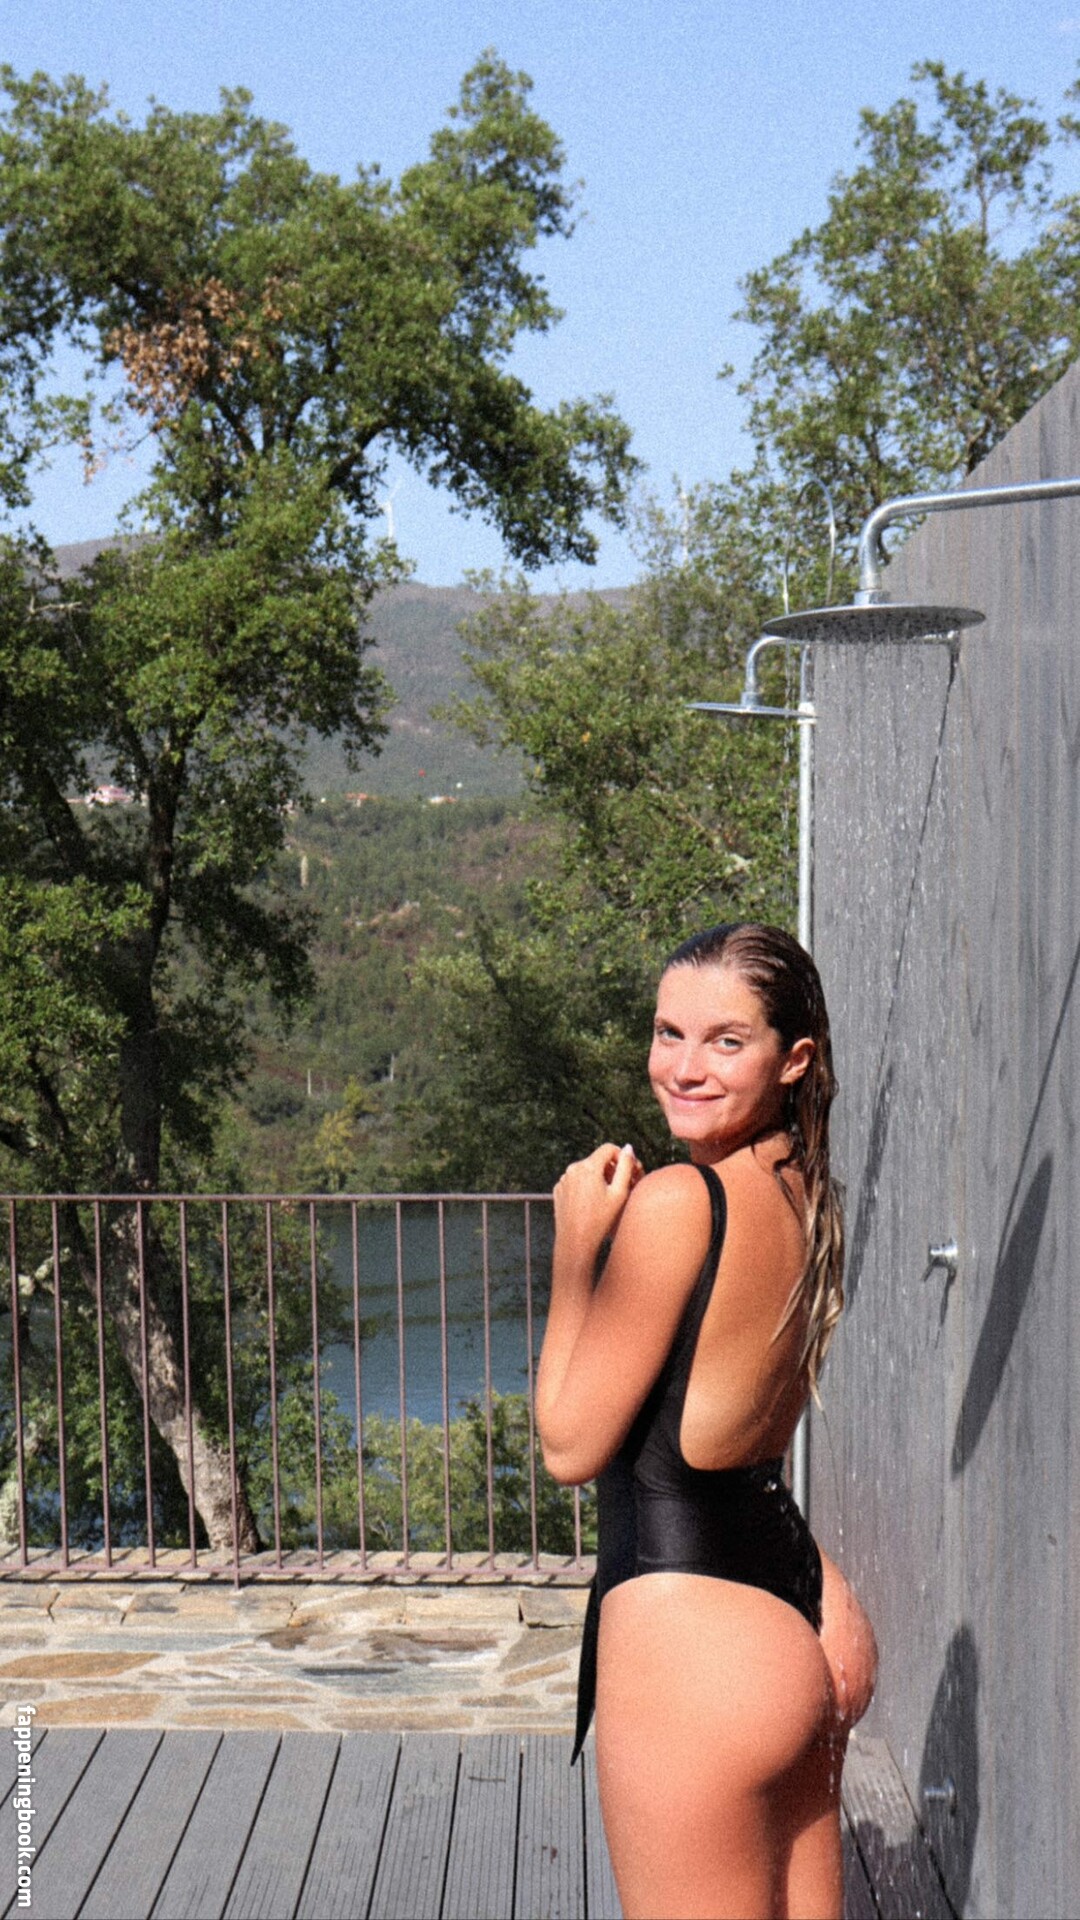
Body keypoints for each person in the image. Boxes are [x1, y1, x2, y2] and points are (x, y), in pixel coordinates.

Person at [536, 922, 877, 1920]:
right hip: (797, 1619)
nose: (683, 1068)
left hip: (695, 1657)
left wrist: (576, 1251)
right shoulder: (805, 1191)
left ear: (793, 1058)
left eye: (726, 1041)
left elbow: (569, 1444)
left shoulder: (682, 1203)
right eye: (668, 1033)